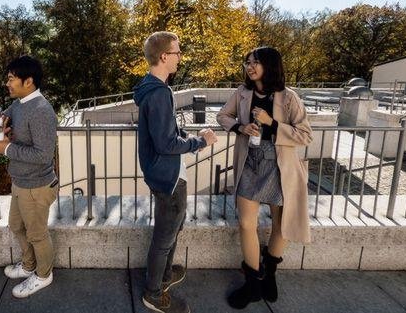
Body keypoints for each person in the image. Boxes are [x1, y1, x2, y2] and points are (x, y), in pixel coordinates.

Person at [216, 47, 312, 309]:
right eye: (247, 62)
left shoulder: (289, 97)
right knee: (247, 223)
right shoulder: (242, 93)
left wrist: (272, 122)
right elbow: (223, 115)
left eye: (255, 62)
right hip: (250, 162)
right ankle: (253, 283)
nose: (250, 66)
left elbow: (305, 135)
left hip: (280, 166)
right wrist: (239, 127)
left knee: (281, 225)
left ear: (270, 65)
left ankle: (270, 274)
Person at [133, 31, 218, 313]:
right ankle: (153, 293)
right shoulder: (158, 93)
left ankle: (166, 275)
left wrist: (188, 135)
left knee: (174, 227)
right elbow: (166, 142)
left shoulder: (154, 88)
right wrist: (200, 142)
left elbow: (167, 130)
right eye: (177, 52)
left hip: (166, 173)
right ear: (164, 56)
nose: (180, 57)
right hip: (168, 177)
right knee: (165, 236)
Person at [0, 55, 59, 299]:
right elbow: (2, 119)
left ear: (28, 81)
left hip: (37, 186)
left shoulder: (40, 110)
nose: (7, 83)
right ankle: (29, 265)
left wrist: (6, 148)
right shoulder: (19, 103)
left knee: (37, 234)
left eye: (11, 79)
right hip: (20, 182)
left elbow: (43, 155)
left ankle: (43, 275)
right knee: (16, 226)